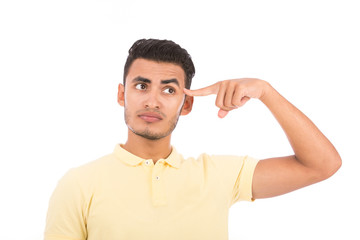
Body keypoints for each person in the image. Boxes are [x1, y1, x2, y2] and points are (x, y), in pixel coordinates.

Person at [44, 39, 341, 240]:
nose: (152, 101)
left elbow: (322, 164)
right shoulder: (79, 184)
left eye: (169, 90)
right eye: (141, 85)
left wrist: (265, 91)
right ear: (123, 94)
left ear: (186, 105)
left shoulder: (219, 175)